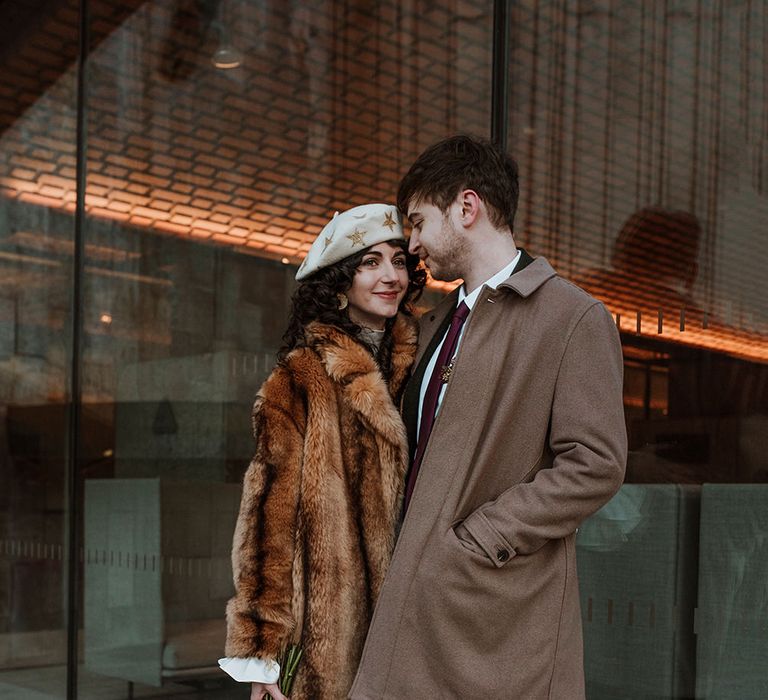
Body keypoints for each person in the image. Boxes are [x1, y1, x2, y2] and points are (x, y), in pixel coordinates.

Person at [348, 136, 628, 699]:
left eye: (420, 222)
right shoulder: (431, 325)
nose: (415, 243)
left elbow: (596, 464)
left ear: (467, 208)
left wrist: (480, 539)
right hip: (410, 601)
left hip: (492, 617)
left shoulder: (572, 318)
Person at [220, 203, 425, 700]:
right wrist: (260, 654)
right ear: (338, 283)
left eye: (398, 261)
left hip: (416, 620)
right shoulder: (299, 380)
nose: (390, 275)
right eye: (370, 262)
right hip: (328, 635)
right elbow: (267, 522)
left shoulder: (424, 367)